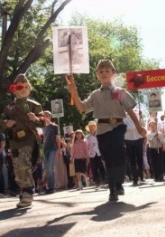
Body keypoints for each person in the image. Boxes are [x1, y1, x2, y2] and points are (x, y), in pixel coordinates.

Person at [67, 59, 146, 202]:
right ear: (97, 75)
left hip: (117, 127)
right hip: (102, 130)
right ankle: (112, 190)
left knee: (119, 154)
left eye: (107, 71)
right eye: (101, 71)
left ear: (113, 73)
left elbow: (130, 110)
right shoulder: (95, 94)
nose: (104, 73)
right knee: (107, 159)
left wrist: (139, 127)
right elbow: (81, 108)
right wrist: (73, 89)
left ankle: (119, 183)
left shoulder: (120, 92)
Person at [0, 74, 46, 208]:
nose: (23, 89)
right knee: (17, 168)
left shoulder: (34, 105)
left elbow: (44, 122)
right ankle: (23, 190)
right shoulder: (9, 108)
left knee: (24, 162)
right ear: (14, 89)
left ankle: (28, 193)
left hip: (29, 139)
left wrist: (35, 119)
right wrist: (6, 123)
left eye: (25, 87)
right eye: (19, 87)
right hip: (14, 141)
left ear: (29, 89)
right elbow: (0, 122)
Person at [42, 111, 62, 194]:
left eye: (47, 115)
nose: (46, 117)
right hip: (44, 150)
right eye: (44, 115)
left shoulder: (54, 126)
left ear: (50, 117)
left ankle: (51, 187)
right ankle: (48, 186)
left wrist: (59, 149)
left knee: (50, 168)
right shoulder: (41, 127)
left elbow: (57, 138)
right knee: (47, 169)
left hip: (52, 148)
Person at [124, 110, 145, 186]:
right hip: (128, 140)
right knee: (132, 160)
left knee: (140, 159)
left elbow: (143, 127)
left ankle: (141, 175)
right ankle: (135, 178)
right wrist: (136, 127)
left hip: (138, 139)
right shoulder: (124, 117)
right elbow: (125, 128)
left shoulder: (138, 116)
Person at [86, 120, 106, 187]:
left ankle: (104, 179)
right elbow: (87, 147)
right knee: (94, 168)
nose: (92, 128)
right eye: (90, 127)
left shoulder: (99, 135)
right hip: (92, 154)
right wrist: (88, 156)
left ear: (95, 127)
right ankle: (97, 181)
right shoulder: (88, 137)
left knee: (101, 166)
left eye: (93, 126)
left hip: (99, 152)